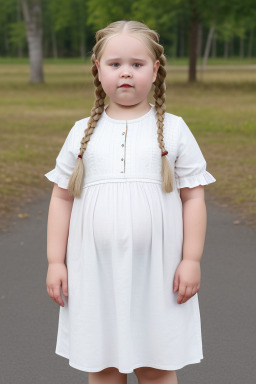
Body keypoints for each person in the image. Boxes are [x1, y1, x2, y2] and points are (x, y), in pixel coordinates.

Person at [45, 20, 216, 384]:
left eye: (137, 65)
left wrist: (191, 259)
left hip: (159, 273)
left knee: (155, 365)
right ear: (98, 69)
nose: (126, 73)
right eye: (115, 64)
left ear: (155, 70)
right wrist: (55, 262)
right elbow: (61, 197)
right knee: (103, 365)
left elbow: (193, 197)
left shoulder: (175, 129)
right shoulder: (81, 133)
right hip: (94, 272)